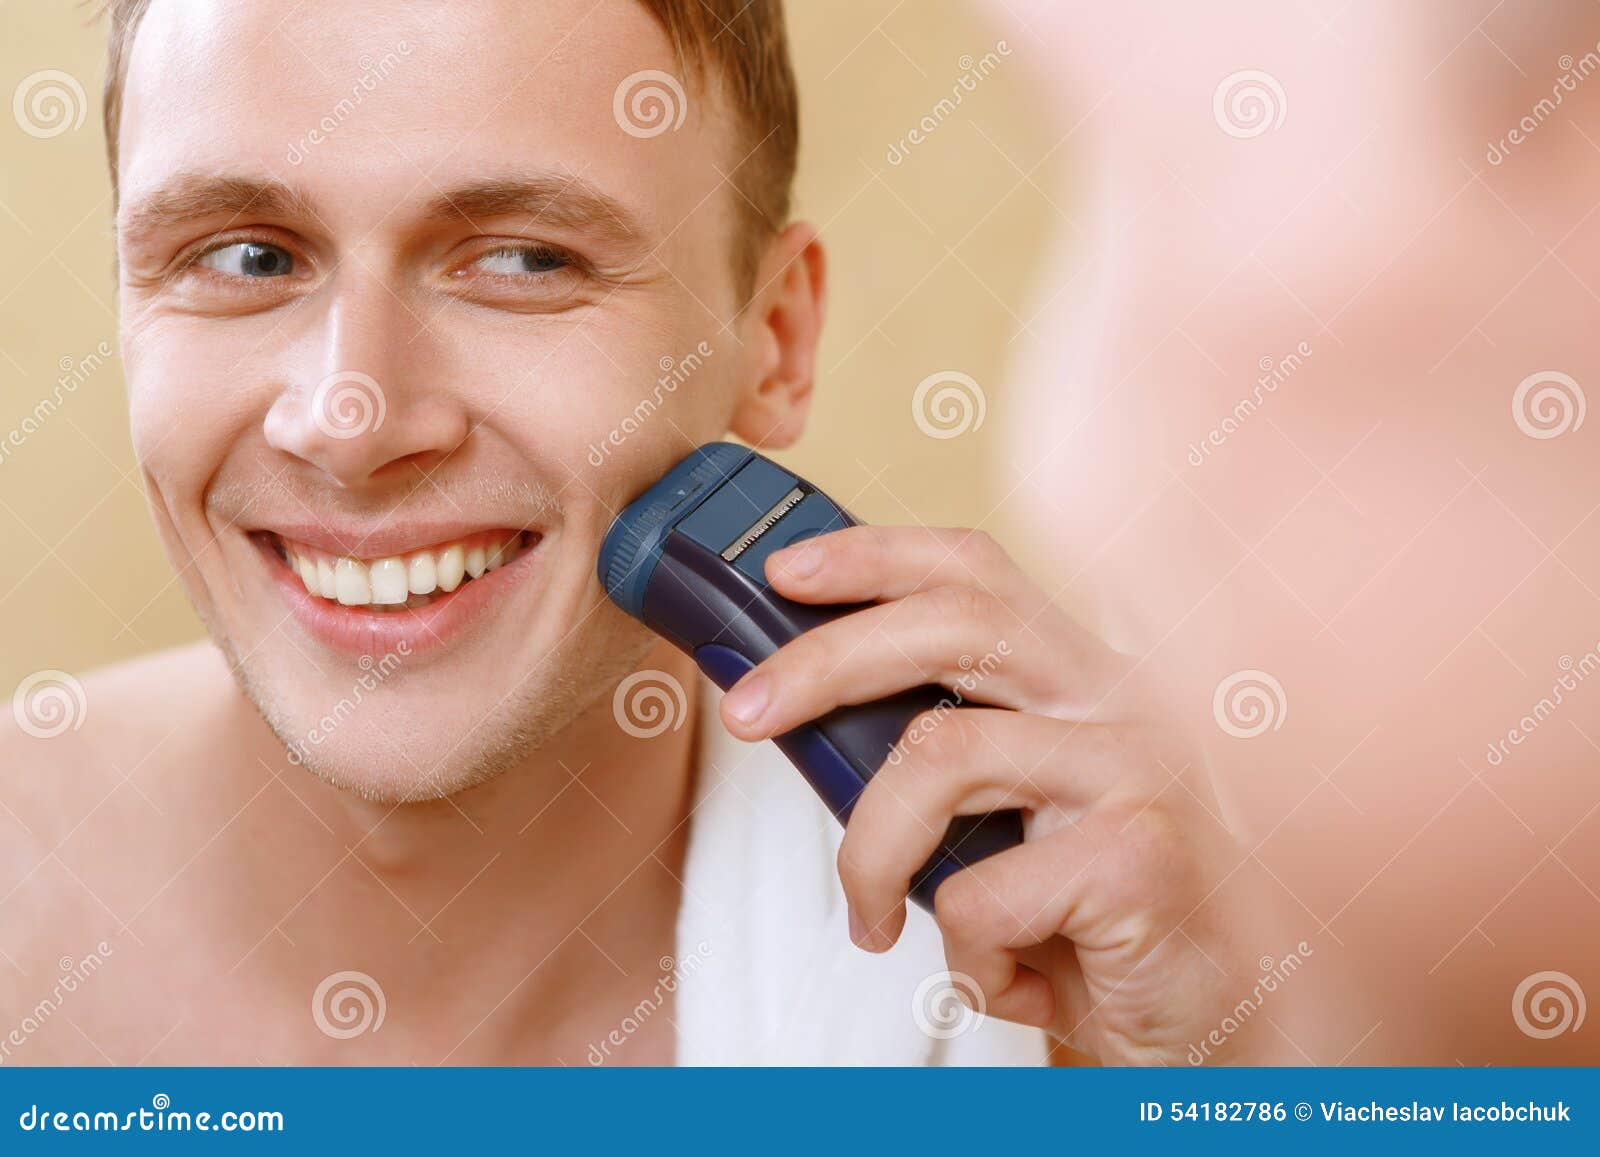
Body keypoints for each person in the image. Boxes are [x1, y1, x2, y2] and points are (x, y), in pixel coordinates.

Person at [1, 0, 1274, 1065]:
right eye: (246, 257)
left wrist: (1233, 1073)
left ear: (774, 341)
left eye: (525, 260)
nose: (352, 419)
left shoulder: (1079, 976)